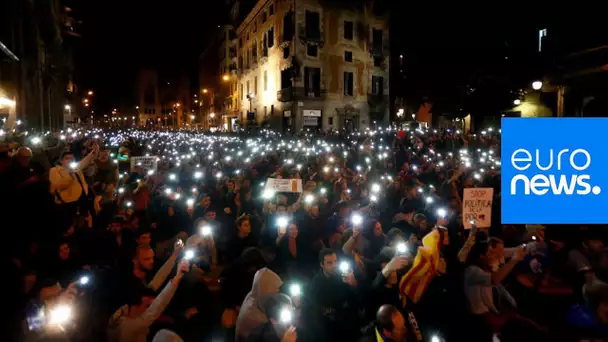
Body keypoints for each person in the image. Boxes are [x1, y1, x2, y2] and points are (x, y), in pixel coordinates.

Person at [107, 259, 190, 342]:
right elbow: (156, 307)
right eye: (147, 306)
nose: (146, 309)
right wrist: (177, 277)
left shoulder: (118, 314)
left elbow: (157, 281)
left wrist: (175, 255)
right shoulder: (127, 326)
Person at [303, 249, 360, 342]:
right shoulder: (315, 284)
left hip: (345, 321)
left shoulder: (343, 276)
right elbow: (311, 308)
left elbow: (355, 299)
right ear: (322, 264)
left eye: (335, 261)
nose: (334, 265)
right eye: (329, 263)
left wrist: (354, 284)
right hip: (326, 326)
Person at [235, 267, 283, 341]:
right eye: (274, 288)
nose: (277, 291)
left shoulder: (253, 295)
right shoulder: (254, 316)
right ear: (267, 289)